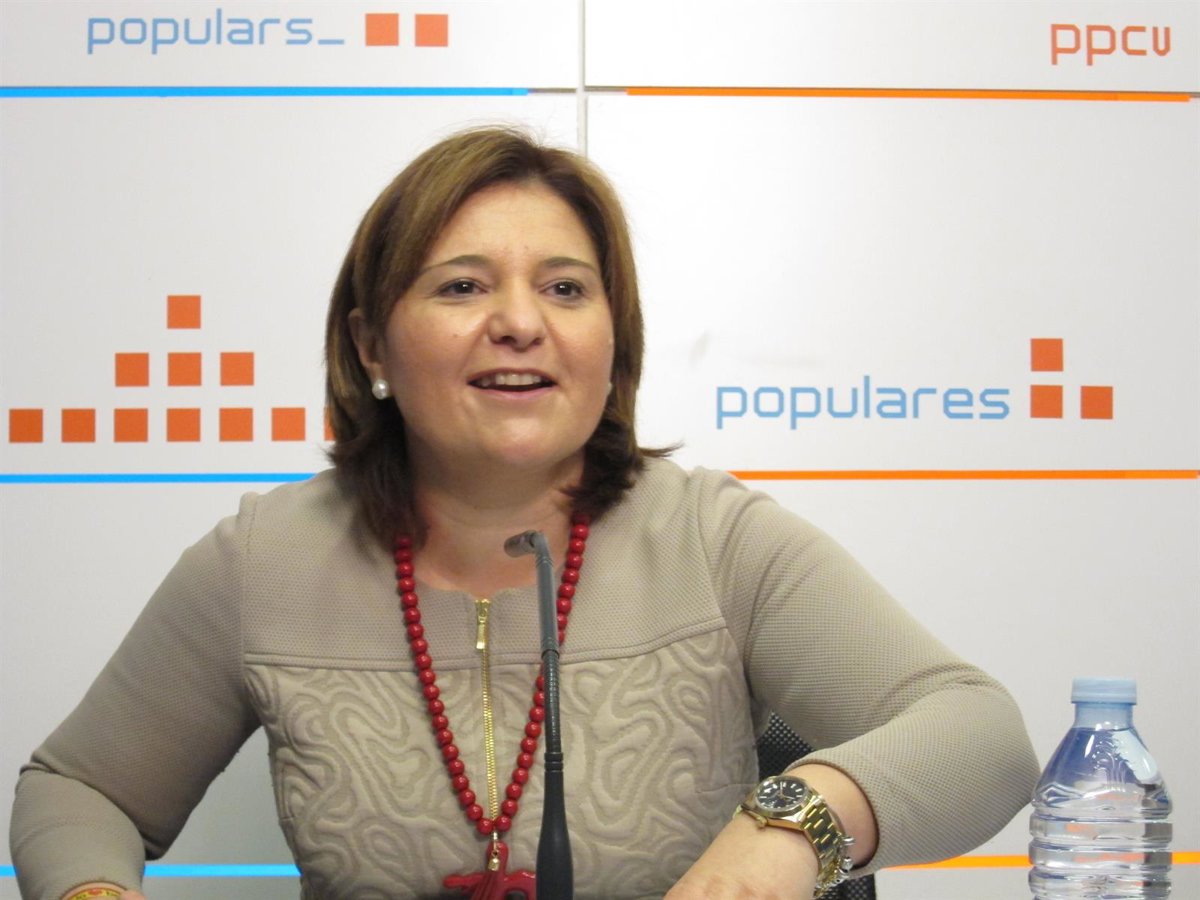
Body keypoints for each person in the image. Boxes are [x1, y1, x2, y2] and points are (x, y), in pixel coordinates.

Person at [9, 127, 1039, 900]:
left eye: (565, 289)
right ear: (370, 345)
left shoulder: (716, 541)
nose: (518, 322)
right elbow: (79, 789)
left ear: (614, 341)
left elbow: (981, 737)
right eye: (462, 287)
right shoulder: (262, 562)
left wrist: (787, 833)